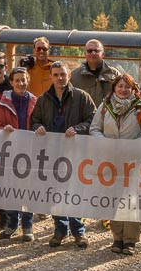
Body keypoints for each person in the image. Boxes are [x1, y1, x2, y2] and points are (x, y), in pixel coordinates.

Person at [31, 60, 95, 248]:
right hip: (52, 154)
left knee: (74, 192)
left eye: (63, 74)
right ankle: (60, 229)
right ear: (51, 76)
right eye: (56, 75)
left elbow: (93, 119)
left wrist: (78, 128)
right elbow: (34, 120)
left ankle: (79, 231)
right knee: (55, 193)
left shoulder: (82, 97)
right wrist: (38, 127)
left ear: (69, 76)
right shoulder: (43, 99)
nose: (60, 78)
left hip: (75, 153)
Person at [90, 73, 141, 255]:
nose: (123, 90)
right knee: (113, 198)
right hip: (110, 161)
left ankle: (130, 240)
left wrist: (133, 147)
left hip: (134, 162)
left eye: (127, 87)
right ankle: (117, 237)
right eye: (120, 86)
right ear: (114, 88)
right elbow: (94, 129)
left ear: (133, 89)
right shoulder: (105, 106)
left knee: (132, 199)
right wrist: (105, 143)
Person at [0, 66, 38, 241]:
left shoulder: (35, 101)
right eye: (17, 80)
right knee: (11, 189)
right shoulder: (2, 103)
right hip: (10, 152)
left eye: (23, 79)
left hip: (30, 151)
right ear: (11, 82)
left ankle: (27, 225)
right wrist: (4, 129)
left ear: (28, 80)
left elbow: (38, 122)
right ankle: (12, 224)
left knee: (29, 189)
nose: (20, 83)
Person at [69, 39, 121, 106]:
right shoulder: (74, 76)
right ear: (85, 54)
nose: (93, 53)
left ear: (103, 54)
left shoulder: (114, 74)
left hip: (108, 115)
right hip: (84, 116)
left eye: (96, 51)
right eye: (89, 51)